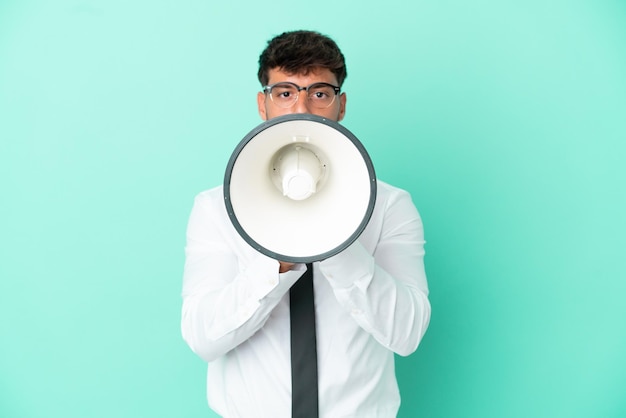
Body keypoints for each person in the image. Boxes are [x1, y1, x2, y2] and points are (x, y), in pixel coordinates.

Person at [181, 30, 431, 418]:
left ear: (340, 105)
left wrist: (334, 238)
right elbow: (203, 337)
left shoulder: (390, 206)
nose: (302, 107)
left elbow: (408, 333)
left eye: (319, 93)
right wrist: (276, 260)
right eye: (284, 92)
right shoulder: (214, 208)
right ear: (262, 104)